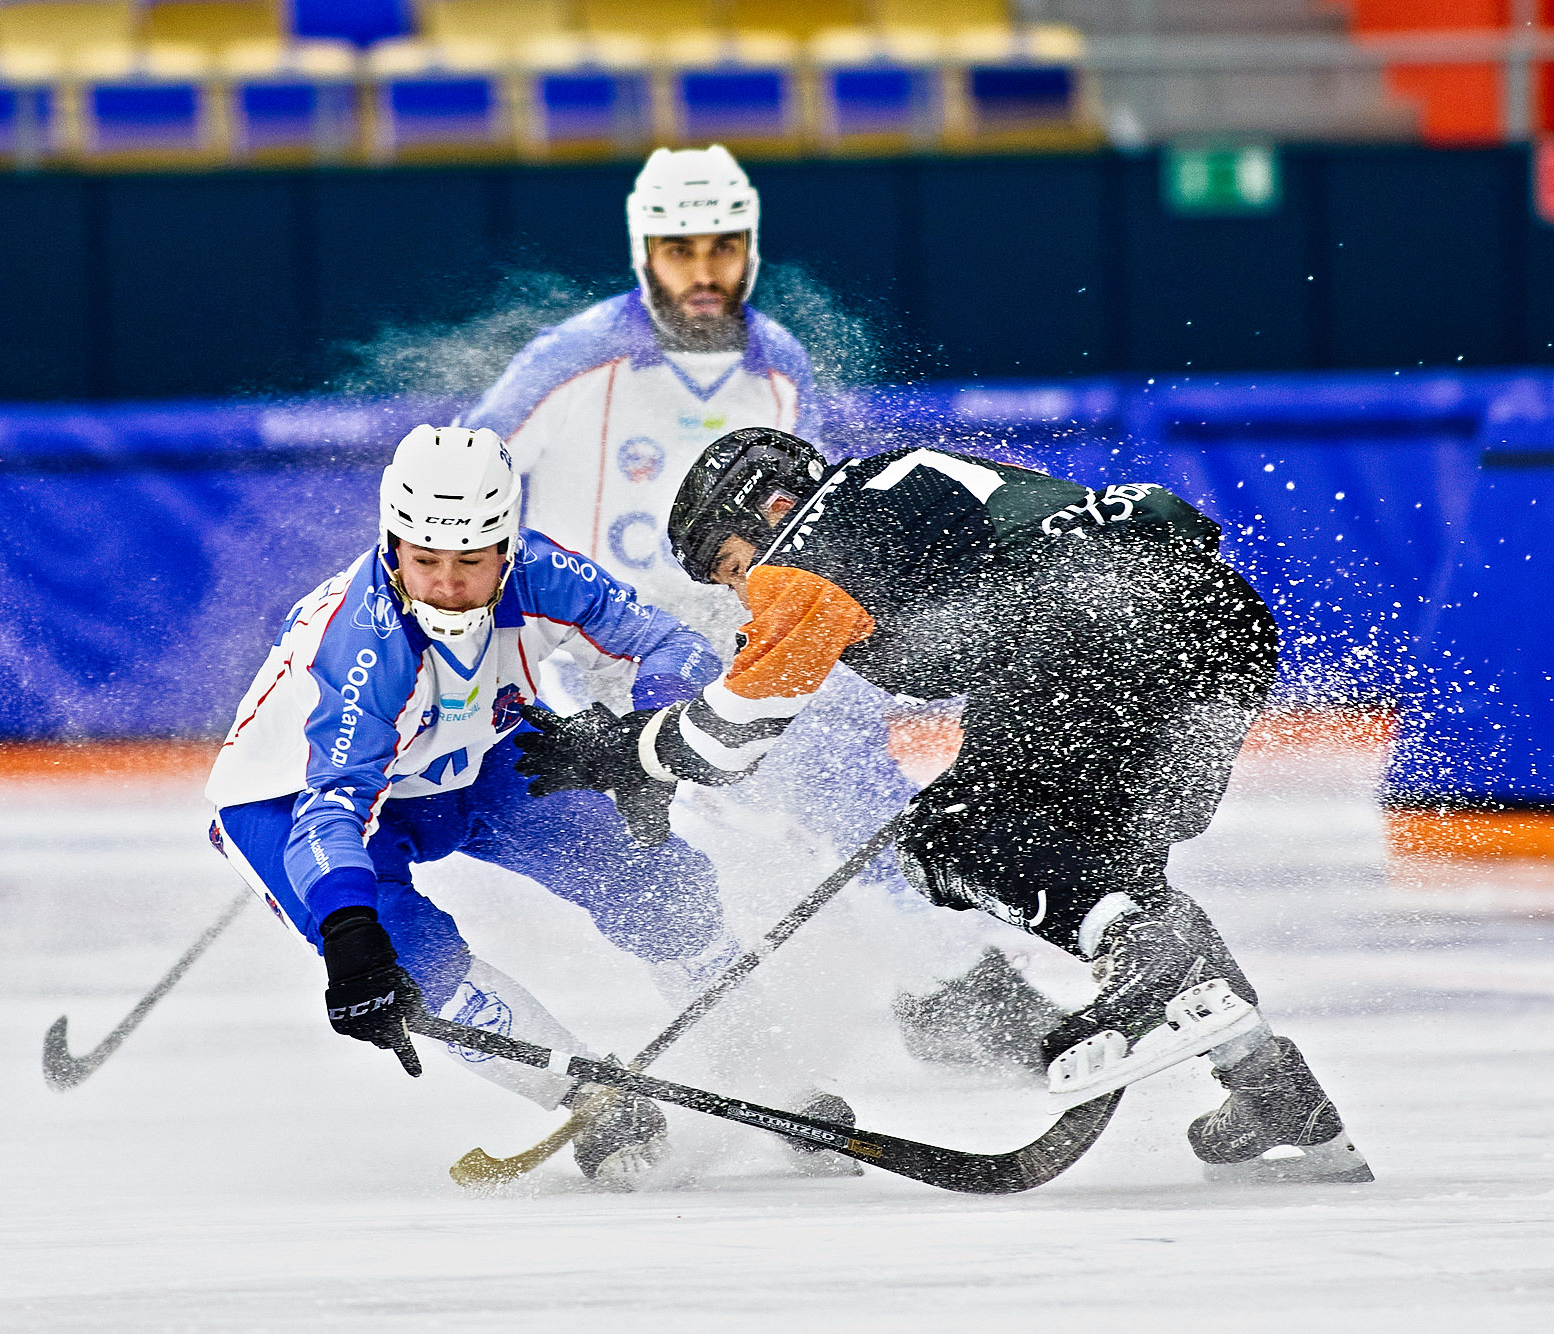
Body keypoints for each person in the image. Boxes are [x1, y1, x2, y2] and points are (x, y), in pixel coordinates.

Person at [517, 428, 1374, 1184]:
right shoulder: (901, 478)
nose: (744, 591)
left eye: (732, 565)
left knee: (948, 838)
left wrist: (616, 751)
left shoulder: (804, 549)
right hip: (1209, 629)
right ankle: (1273, 1091)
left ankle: (1133, 953)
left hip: (1088, 635)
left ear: (766, 509)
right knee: (1108, 871)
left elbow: (732, 736)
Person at [462, 144, 1061, 1070]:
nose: (704, 272)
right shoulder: (574, 360)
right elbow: (465, 475)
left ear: (750, 246)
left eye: (723, 247)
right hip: (598, 655)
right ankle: (749, 1043)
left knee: (858, 788)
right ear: (643, 252)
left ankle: (948, 983)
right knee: (668, 851)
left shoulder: (778, 361)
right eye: (679, 250)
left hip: (741, 629)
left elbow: (815, 517)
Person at [204, 424, 852, 1187]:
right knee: (411, 956)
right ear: (390, 547)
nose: (447, 585)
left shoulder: (544, 572)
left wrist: (644, 743)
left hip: (473, 755)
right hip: (296, 803)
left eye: (472, 563)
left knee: (654, 881)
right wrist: (346, 932)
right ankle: (592, 1099)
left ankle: (766, 1070)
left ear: (506, 548)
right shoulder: (363, 651)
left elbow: (671, 644)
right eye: (425, 562)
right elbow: (330, 815)